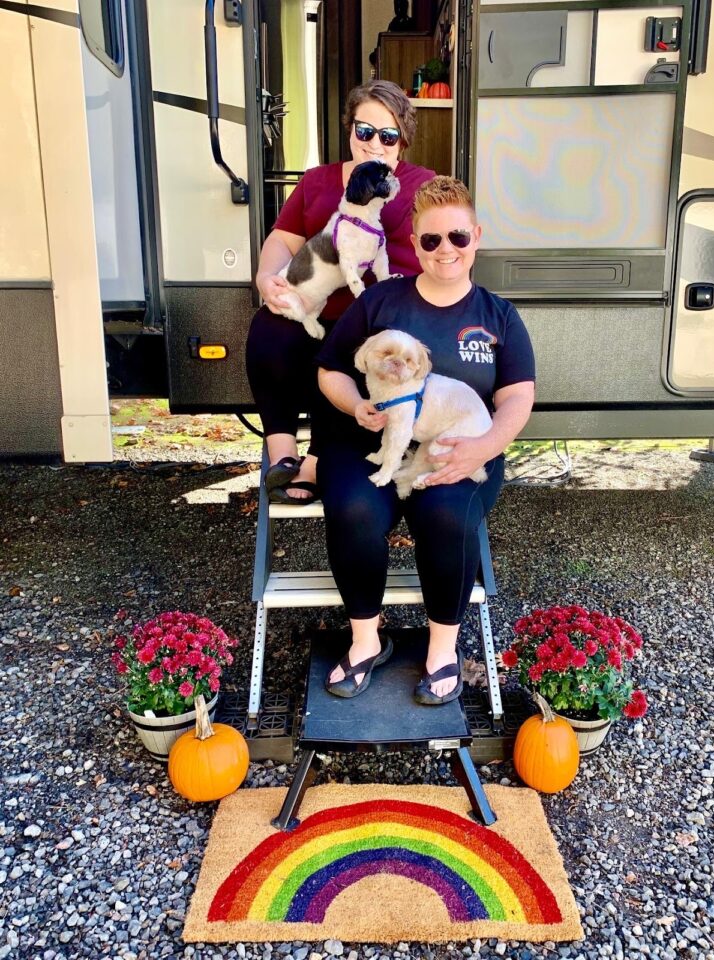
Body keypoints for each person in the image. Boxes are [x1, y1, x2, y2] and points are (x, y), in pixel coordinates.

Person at [315, 177, 536, 703]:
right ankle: (366, 641)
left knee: (444, 510)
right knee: (353, 506)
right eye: (431, 240)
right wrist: (356, 406)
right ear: (414, 244)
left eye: (457, 237)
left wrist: (483, 449)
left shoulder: (498, 316)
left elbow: (517, 401)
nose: (445, 250)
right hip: (370, 436)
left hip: (463, 442)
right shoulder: (381, 302)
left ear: (476, 237)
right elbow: (329, 370)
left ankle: (442, 649)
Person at [246, 80, 435, 503]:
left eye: (387, 136)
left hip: (384, 315)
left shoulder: (421, 185)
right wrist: (266, 276)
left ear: (402, 140)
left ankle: (316, 460)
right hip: (319, 300)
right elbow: (283, 238)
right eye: (364, 131)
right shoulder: (318, 182)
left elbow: (443, 244)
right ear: (350, 130)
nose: (373, 144)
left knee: (339, 348)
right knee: (268, 331)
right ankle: (283, 457)